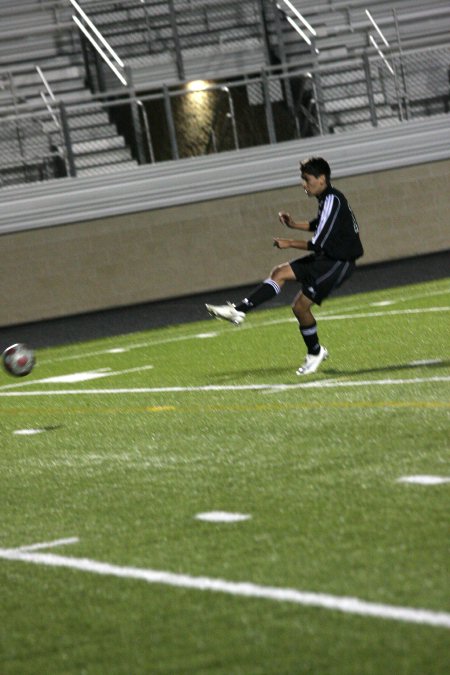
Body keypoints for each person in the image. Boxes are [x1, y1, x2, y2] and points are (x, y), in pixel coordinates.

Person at [206, 156, 364, 375]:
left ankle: (315, 352)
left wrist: (288, 242)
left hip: (338, 263)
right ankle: (238, 311)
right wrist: (293, 225)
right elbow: (318, 225)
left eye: (307, 179)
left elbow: (318, 243)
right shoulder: (328, 199)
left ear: (321, 179)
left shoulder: (332, 200)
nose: (303, 184)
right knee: (279, 273)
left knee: (300, 307)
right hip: (328, 258)